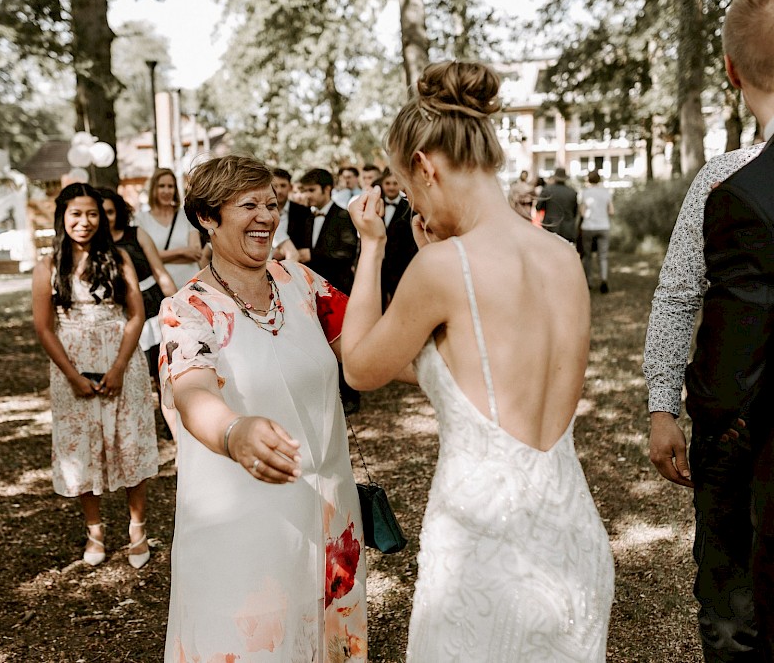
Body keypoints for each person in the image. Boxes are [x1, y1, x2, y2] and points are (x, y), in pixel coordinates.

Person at [341, 60, 613, 661]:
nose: (412, 204)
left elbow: (359, 368)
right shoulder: (563, 256)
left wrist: (371, 248)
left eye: (407, 191)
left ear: (425, 167)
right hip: (572, 542)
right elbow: (472, 372)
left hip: (486, 554)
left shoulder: (443, 268)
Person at [160, 155, 367, 661]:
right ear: (207, 217)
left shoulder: (301, 282)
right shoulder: (186, 308)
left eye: (272, 203)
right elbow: (192, 395)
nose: (266, 216)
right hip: (244, 526)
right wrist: (234, 431)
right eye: (247, 204)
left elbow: (368, 351)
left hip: (328, 507)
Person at [648, 0, 774, 658]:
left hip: (732, 423)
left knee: (730, 604)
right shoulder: (718, 178)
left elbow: (675, 297)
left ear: (730, 70)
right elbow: (675, 295)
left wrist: (663, 406)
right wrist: (662, 402)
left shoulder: (719, 181)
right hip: (738, 435)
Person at [32, 183, 158, 569]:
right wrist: (71, 375)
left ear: (101, 218)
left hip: (121, 360)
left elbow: (136, 314)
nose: (83, 222)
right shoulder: (48, 266)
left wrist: (120, 366)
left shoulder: (118, 257)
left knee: (129, 441)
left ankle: (137, 527)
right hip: (73, 365)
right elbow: (44, 327)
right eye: (75, 214)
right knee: (83, 447)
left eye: (91, 214)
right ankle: (95, 531)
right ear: (63, 218)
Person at [97, 186, 178, 438]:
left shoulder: (136, 234)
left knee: (163, 371)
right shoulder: (95, 246)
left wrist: (176, 305)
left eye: (109, 212)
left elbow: (159, 271)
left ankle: (174, 425)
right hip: (122, 315)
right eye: (100, 212)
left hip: (153, 307)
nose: (105, 217)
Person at [296, 167, 361, 414]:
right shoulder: (307, 218)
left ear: (327, 189)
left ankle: (351, 395)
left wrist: (312, 255)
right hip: (310, 291)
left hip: (338, 288)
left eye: (312, 190)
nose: (308, 196)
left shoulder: (343, 216)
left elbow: (347, 252)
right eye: (305, 191)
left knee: (343, 342)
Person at [134, 168, 202, 288]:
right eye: (161, 186)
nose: (166, 191)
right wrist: (182, 251)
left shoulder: (186, 215)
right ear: (154, 189)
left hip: (191, 285)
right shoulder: (141, 219)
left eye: (170, 186)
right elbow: (142, 257)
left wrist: (157, 257)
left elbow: (196, 253)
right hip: (160, 287)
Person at [377, 168, 418, 307]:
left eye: (395, 183)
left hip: (400, 265)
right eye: (388, 183)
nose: (391, 187)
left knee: (399, 303)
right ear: (382, 184)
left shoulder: (409, 208)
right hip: (379, 265)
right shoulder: (376, 205)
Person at [578, 170, 614, 293]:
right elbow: (611, 211)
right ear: (599, 180)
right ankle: (604, 279)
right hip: (604, 226)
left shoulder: (585, 193)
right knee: (603, 256)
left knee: (588, 255)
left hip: (588, 227)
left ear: (588, 180)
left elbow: (582, 212)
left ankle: (589, 281)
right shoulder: (606, 193)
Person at [536, 166, 580, 243]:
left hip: (550, 226)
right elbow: (575, 212)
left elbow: (538, 207)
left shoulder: (547, 190)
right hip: (567, 228)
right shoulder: (572, 192)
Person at [270, 168, 302, 261]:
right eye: (275, 186)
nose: (279, 191)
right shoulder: (261, 212)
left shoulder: (303, 212)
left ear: (290, 187)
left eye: (283, 186)